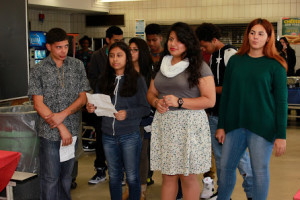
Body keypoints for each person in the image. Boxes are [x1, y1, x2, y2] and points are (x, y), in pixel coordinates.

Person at [215, 18, 287, 200]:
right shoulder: (236, 62)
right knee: (225, 168)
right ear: (248, 35)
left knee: (259, 170)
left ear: (268, 37)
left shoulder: (275, 65)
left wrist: (281, 135)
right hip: (235, 125)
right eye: (252, 33)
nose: (255, 37)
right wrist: (221, 125)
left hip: (262, 127)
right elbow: (226, 95)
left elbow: (281, 103)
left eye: (261, 33)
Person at [147, 22, 216, 200]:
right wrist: (156, 102)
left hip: (189, 126)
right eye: (171, 39)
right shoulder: (161, 65)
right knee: (168, 175)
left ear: (188, 43)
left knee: (188, 176)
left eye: (179, 40)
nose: (173, 44)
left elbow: (210, 100)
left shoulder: (199, 66)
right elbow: (151, 93)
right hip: (165, 124)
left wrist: (179, 101)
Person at [28, 28, 90, 200]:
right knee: (50, 178)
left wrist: (63, 115)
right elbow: (38, 104)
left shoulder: (77, 66)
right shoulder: (38, 70)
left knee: (66, 178)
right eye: (58, 47)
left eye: (66, 46)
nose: (63, 51)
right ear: (48, 46)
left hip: (72, 132)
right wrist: (61, 126)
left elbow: (83, 97)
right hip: (50, 133)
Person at [195, 23, 253, 200]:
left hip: (232, 116)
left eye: (205, 45)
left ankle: (252, 193)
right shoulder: (212, 57)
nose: (203, 49)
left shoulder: (230, 54)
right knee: (220, 160)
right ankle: (224, 193)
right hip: (214, 115)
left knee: (240, 157)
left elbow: (237, 86)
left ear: (214, 40)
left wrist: (210, 90)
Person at [86, 42, 150, 200]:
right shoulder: (103, 79)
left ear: (127, 58)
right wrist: (91, 108)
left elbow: (145, 108)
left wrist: (127, 113)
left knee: (132, 176)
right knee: (114, 177)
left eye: (119, 55)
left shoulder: (137, 80)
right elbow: (99, 104)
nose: (115, 59)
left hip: (130, 135)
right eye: (112, 55)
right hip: (108, 135)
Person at [87, 26, 123, 185]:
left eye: (121, 41)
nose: (119, 43)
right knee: (101, 139)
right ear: (107, 40)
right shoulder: (97, 56)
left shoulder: (124, 55)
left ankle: (120, 173)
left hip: (119, 104)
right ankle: (100, 170)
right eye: (116, 40)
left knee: (120, 140)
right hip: (102, 104)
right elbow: (92, 78)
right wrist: (105, 86)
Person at [120, 37, 153, 200]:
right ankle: (129, 187)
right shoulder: (122, 71)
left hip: (144, 118)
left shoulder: (149, 72)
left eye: (135, 49)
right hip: (125, 119)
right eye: (129, 49)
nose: (131, 52)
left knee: (142, 155)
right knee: (127, 154)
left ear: (142, 52)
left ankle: (141, 190)